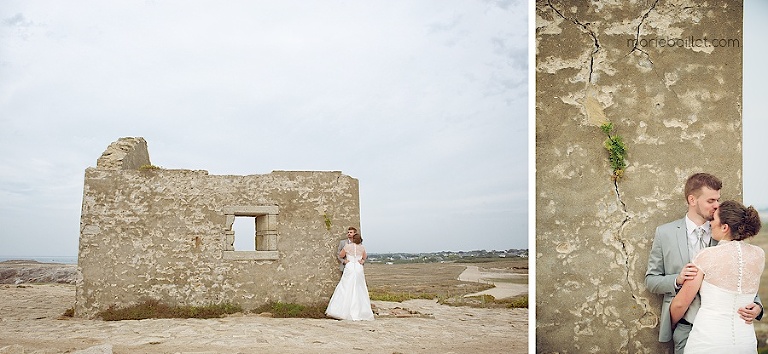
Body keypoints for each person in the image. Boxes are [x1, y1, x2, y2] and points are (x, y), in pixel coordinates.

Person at [645, 173, 763, 353]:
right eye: (711, 201)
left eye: (718, 199)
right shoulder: (665, 233)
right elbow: (651, 280)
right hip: (685, 327)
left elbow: (742, 275)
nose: (716, 205)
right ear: (692, 200)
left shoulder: (725, 231)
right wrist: (677, 279)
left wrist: (758, 306)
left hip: (720, 329)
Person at [669, 200, 764, 353]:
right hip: (745, 342)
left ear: (725, 227)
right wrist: (758, 307)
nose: (710, 223)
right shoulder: (759, 255)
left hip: (708, 340)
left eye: (713, 220)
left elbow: (680, 304)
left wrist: (673, 325)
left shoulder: (706, 256)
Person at [325, 232, 374, 321]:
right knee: (360, 287)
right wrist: (361, 261)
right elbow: (364, 257)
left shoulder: (347, 246)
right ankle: (361, 312)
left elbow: (341, 255)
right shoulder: (362, 247)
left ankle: (342, 310)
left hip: (350, 266)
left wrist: (347, 260)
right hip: (358, 267)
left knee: (346, 286)